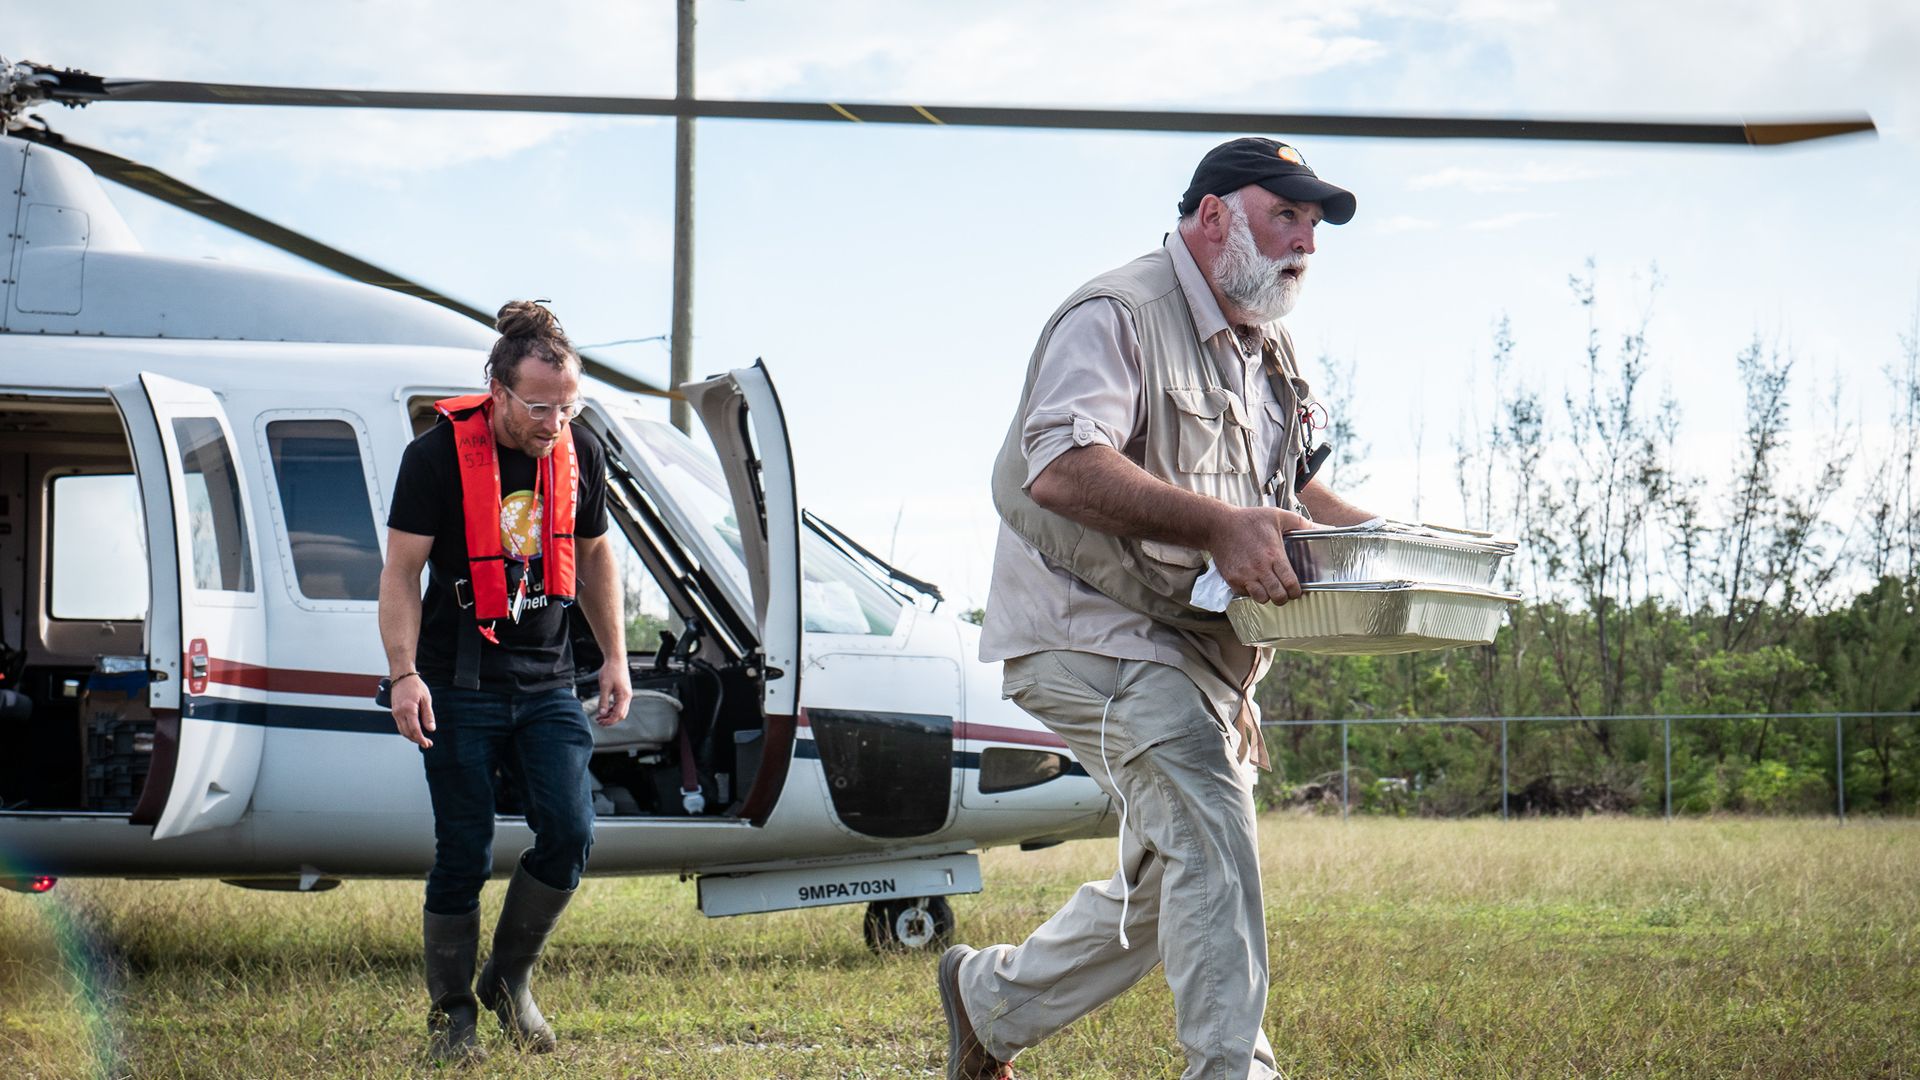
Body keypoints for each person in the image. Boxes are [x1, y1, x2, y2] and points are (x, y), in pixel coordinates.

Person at [940, 138, 1378, 1080]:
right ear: (1213, 215)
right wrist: (1222, 526)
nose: (1303, 242)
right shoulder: (1117, 313)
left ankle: (988, 1002)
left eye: (1312, 227)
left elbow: (1295, 496)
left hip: (1201, 655)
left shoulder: (1272, 353)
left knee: (1165, 882)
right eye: (1285, 216)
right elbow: (1058, 467)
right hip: (1088, 634)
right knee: (1211, 830)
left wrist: (1395, 545)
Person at [378, 300, 632, 1062]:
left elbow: (592, 556)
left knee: (570, 832)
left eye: (568, 405)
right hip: (458, 680)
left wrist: (614, 655)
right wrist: (403, 675)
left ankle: (507, 980)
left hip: (548, 677)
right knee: (464, 848)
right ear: (495, 388)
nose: (555, 422)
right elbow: (399, 573)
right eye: (539, 407)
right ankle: (452, 1012)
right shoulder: (433, 457)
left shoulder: (579, 449)